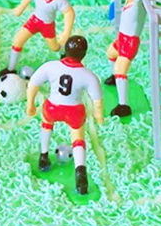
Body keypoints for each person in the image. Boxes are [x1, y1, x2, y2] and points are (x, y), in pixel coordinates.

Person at [26, 35, 103, 195]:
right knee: (78, 139)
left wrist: (30, 104)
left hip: (53, 107)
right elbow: (97, 100)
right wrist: (98, 115)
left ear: (65, 50)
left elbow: (33, 84)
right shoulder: (88, 75)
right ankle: (80, 172)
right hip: (74, 111)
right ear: (84, 54)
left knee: (47, 124)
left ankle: (43, 156)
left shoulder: (51, 66)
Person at [0, 0, 75, 75]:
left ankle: (63, 52)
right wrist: (20, 8)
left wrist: (66, 32)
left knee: (54, 47)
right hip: (34, 21)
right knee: (18, 40)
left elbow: (69, 12)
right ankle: (11, 68)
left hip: (47, 25)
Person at [106, 0, 147, 118]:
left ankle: (123, 105)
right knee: (110, 53)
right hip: (121, 38)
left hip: (130, 43)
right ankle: (114, 77)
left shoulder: (138, 5)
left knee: (120, 70)